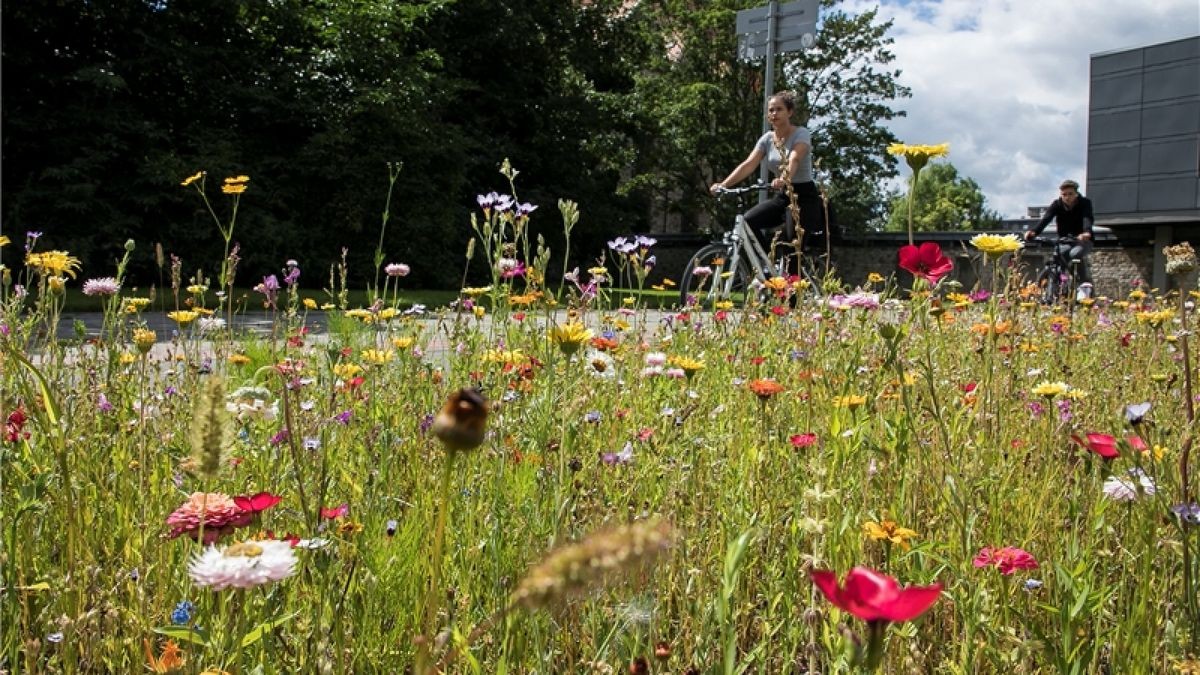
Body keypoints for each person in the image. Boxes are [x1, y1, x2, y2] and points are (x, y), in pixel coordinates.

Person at [709, 91, 832, 260]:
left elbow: (794, 159)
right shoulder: (767, 139)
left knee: (792, 245)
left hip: (804, 197)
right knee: (748, 221)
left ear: (790, 112)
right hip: (783, 196)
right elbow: (749, 164)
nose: (774, 113)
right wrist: (723, 185)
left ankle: (791, 273)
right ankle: (768, 262)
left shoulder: (801, 133)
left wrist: (783, 178)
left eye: (779, 109)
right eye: (771, 110)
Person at [1024, 179, 1095, 288]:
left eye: (1070, 194)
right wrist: (1034, 232)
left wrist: (1086, 232)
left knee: (1074, 254)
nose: (1067, 197)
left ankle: (1083, 281)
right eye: (1064, 194)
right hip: (1065, 240)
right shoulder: (1057, 204)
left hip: (1083, 239)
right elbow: (1046, 219)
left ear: (1076, 194)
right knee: (1059, 255)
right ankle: (1059, 285)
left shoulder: (1085, 203)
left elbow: (1087, 218)